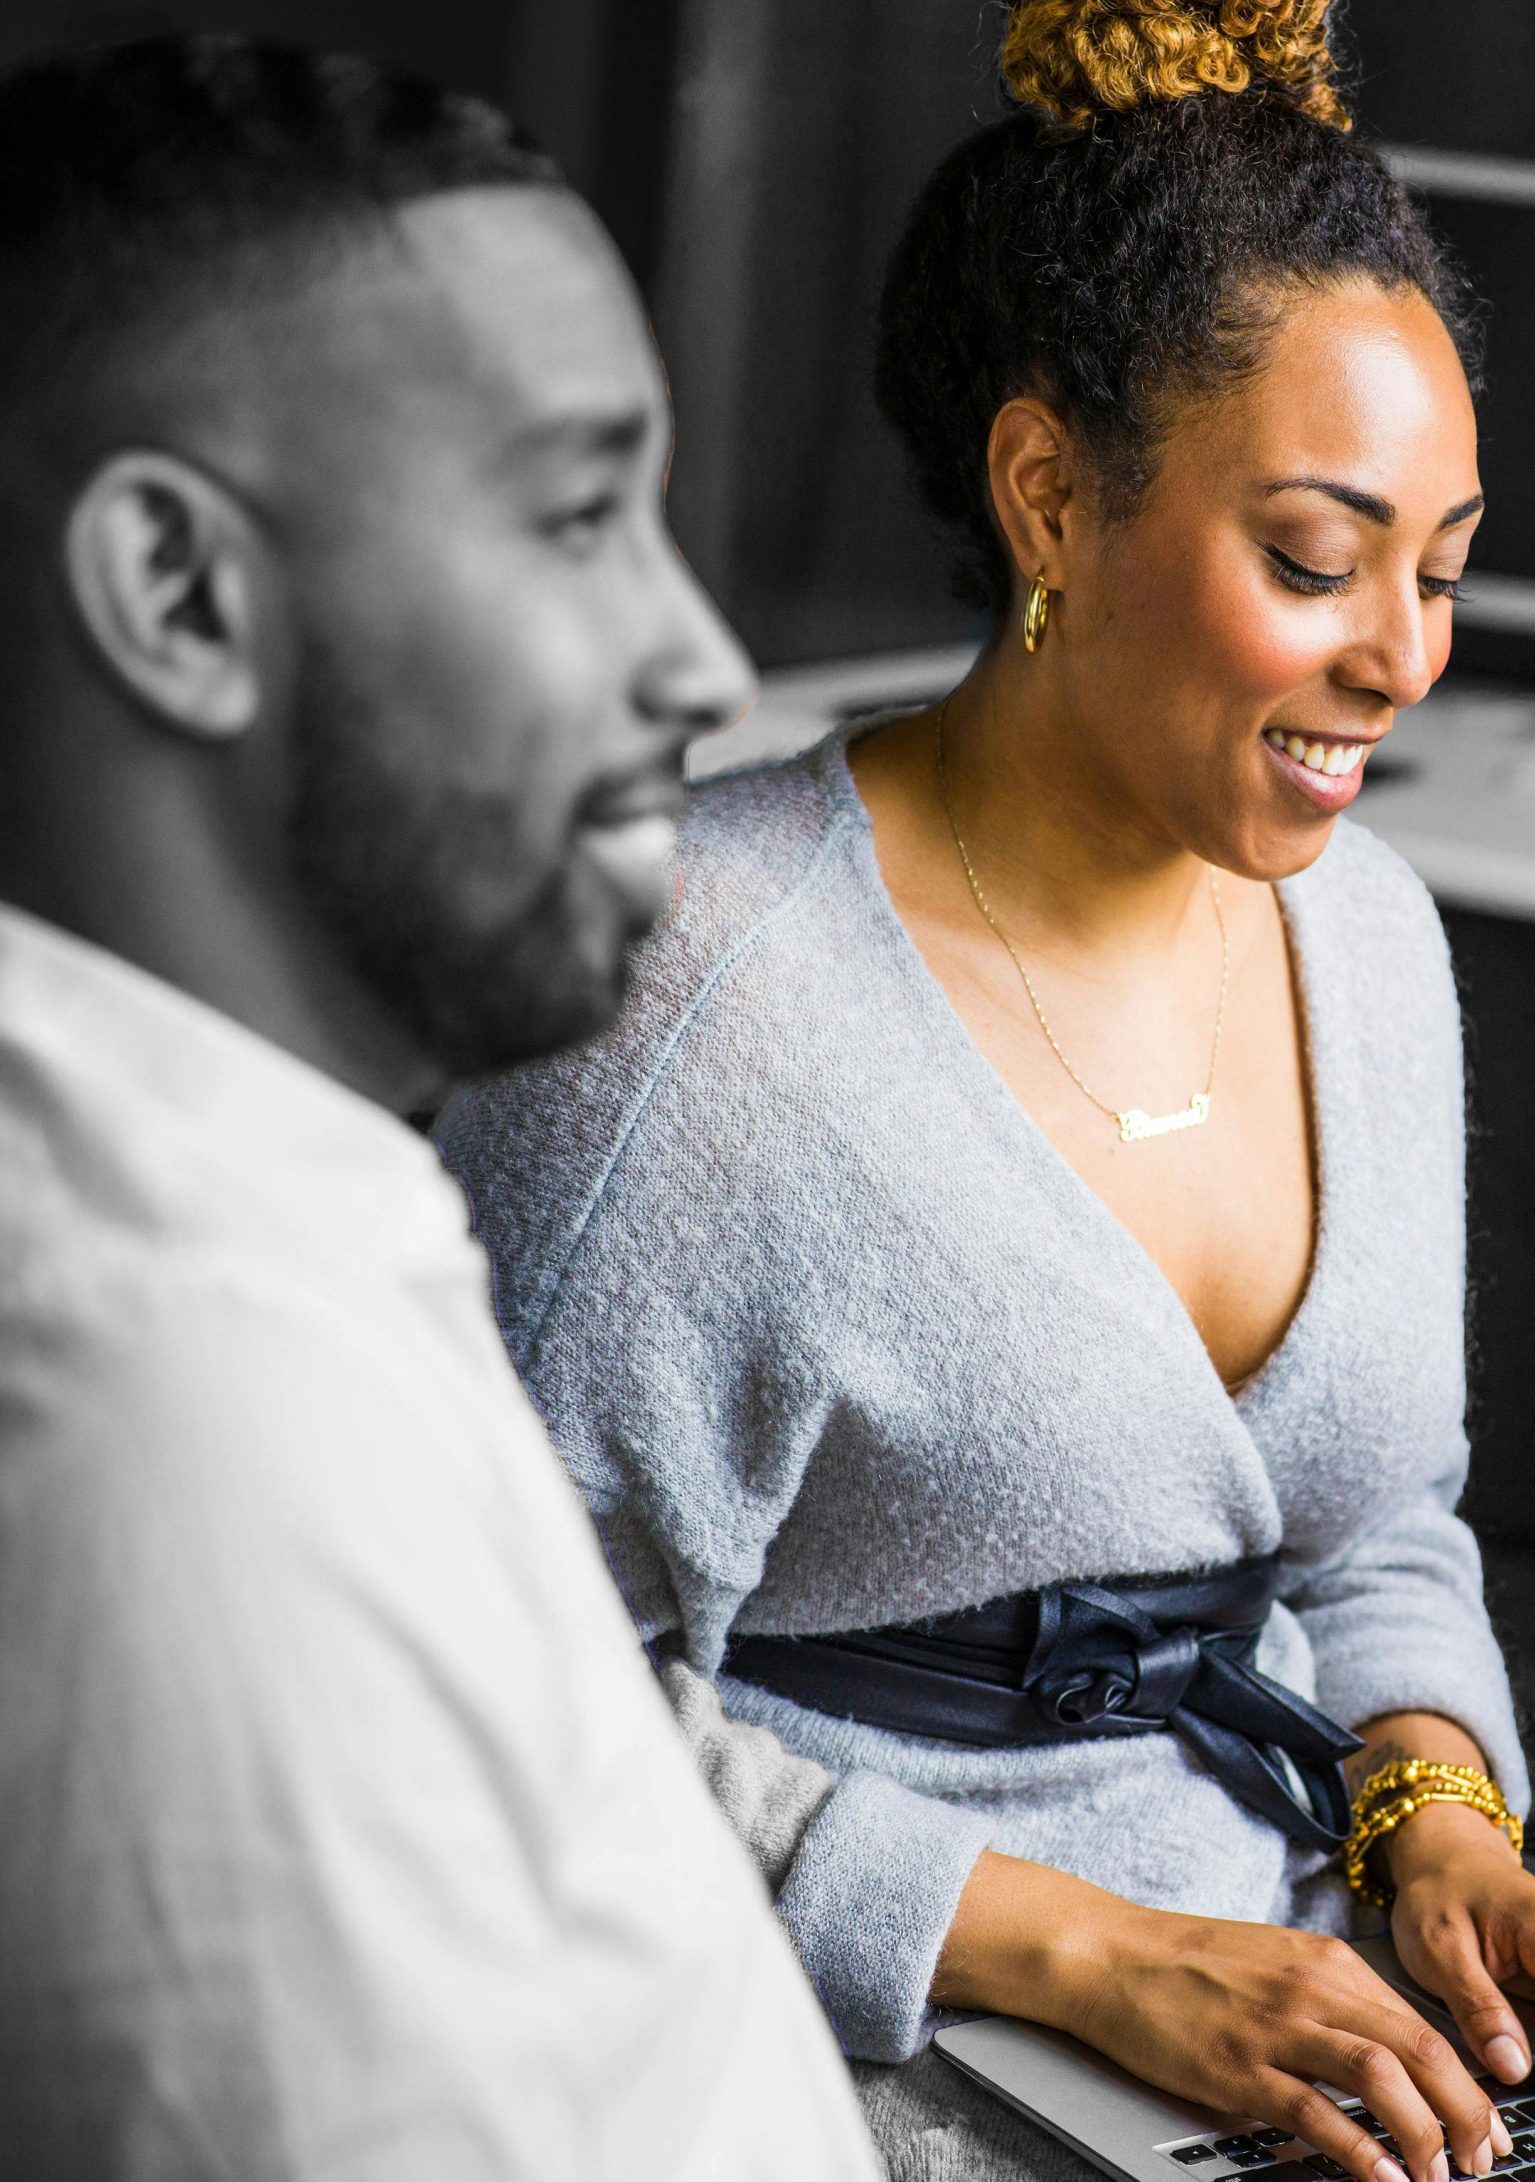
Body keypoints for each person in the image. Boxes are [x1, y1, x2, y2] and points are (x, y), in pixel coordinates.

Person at [435, 4, 1535, 2177]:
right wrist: (1077, 1948)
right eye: (1315, 561)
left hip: (1338, 2032)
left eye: (1443, 563)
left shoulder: (1372, 941)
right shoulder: (689, 992)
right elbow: (483, 1693)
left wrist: (1442, 1825)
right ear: (1050, 493)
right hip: (843, 2040)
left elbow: (1380, 1515)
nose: (1401, 655)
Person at [0, 34, 879, 2178]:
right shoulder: (184, 1426)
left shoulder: (238, 1200)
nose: (699, 658)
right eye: (579, 514)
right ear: (184, 598)